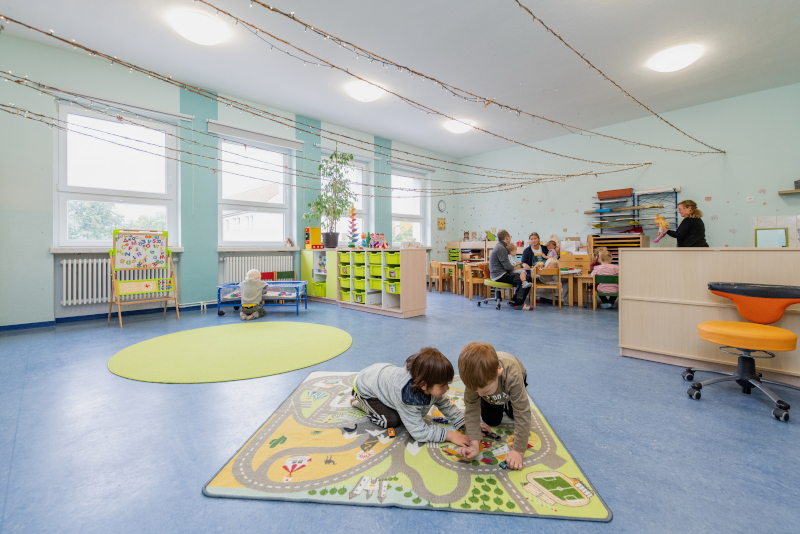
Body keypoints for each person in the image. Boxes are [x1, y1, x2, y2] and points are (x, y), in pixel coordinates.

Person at [350, 347, 469, 446]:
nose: (447, 389)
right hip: (364, 387)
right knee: (392, 420)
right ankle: (360, 402)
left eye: (447, 384)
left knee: (406, 415)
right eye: (443, 385)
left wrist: (463, 421)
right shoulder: (408, 397)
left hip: (379, 373)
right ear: (423, 385)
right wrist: (450, 435)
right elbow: (419, 432)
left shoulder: (425, 380)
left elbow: (444, 403)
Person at [457, 342, 531, 471]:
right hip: (495, 389)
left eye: (484, 391)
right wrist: (474, 443)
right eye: (477, 391)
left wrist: (518, 452)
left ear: (498, 372)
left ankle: (507, 402)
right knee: (491, 420)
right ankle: (496, 398)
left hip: (515, 380)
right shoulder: (475, 381)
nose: (480, 394)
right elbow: (471, 408)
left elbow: (523, 412)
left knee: (514, 414)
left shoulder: (512, 375)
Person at [489, 230, 527, 305]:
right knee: (527, 278)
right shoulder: (501, 248)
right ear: (507, 237)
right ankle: (518, 303)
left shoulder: (499, 246)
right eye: (510, 237)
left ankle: (514, 300)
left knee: (523, 278)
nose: (510, 239)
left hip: (497, 274)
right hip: (500, 276)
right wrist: (521, 269)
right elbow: (508, 267)